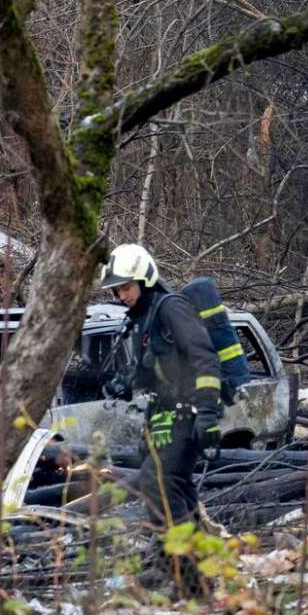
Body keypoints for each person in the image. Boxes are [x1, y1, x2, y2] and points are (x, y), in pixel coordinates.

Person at [99, 244, 222, 595]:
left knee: (161, 489)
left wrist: (208, 415)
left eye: (126, 288)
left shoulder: (172, 309)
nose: (121, 296)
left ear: (145, 280)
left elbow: (205, 359)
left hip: (187, 416)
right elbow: (161, 370)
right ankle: (191, 575)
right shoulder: (145, 319)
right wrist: (129, 383)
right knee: (173, 490)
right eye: (117, 290)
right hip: (162, 417)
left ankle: (181, 574)